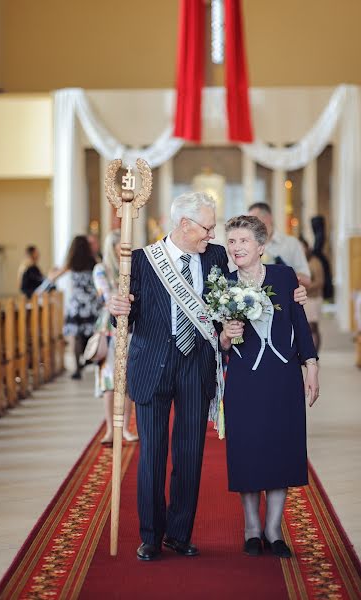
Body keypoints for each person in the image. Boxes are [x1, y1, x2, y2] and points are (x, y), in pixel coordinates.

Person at [109, 192, 307, 562]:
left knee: (189, 454)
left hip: (197, 367)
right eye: (207, 227)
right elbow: (124, 317)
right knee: (152, 455)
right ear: (184, 225)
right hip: (153, 366)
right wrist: (115, 308)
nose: (212, 234)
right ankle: (151, 536)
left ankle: (179, 534)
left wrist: (293, 292)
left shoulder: (215, 257)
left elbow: (251, 283)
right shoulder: (139, 262)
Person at [220, 215, 319, 558]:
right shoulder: (222, 285)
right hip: (245, 379)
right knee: (247, 450)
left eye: (243, 241)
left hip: (282, 377)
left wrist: (312, 366)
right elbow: (217, 343)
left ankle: (274, 529)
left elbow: (300, 326)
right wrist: (226, 337)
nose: (236, 248)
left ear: (261, 247)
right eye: (231, 241)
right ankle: (251, 527)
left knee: (280, 449)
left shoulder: (284, 276)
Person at [93, 229, 138, 443]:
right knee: (110, 379)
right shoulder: (101, 269)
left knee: (128, 379)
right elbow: (106, 296)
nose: (124, 252)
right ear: (112, 248)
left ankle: (126, 428)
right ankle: (111, 429)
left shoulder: (132, 268)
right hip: (109, 328)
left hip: (130, 326)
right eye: (121, 248)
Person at [55, 235, 99, 379]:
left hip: (76, 304)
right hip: (91, 304)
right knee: (92, 334)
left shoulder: (71, 263)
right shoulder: (92, 261)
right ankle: (90, 360)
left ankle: (77, 369)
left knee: (76, 337)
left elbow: (53, 277)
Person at [248, 202, 311, 287]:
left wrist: (284, 273)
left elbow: (306, 280)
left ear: (268, 218)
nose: (250, 225)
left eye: (253, 220)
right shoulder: (248, 245)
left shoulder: (291, 243)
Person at [300, 237, 324, 352]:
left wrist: (305, 288)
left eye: (302, 247)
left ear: (307, 248)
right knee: (304, 328)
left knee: (312, 327)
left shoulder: (315, 262)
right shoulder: (297, 262)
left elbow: (319, 282)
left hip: (313, 298)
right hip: (301, 299)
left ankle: (314, 354)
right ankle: (307, 353)